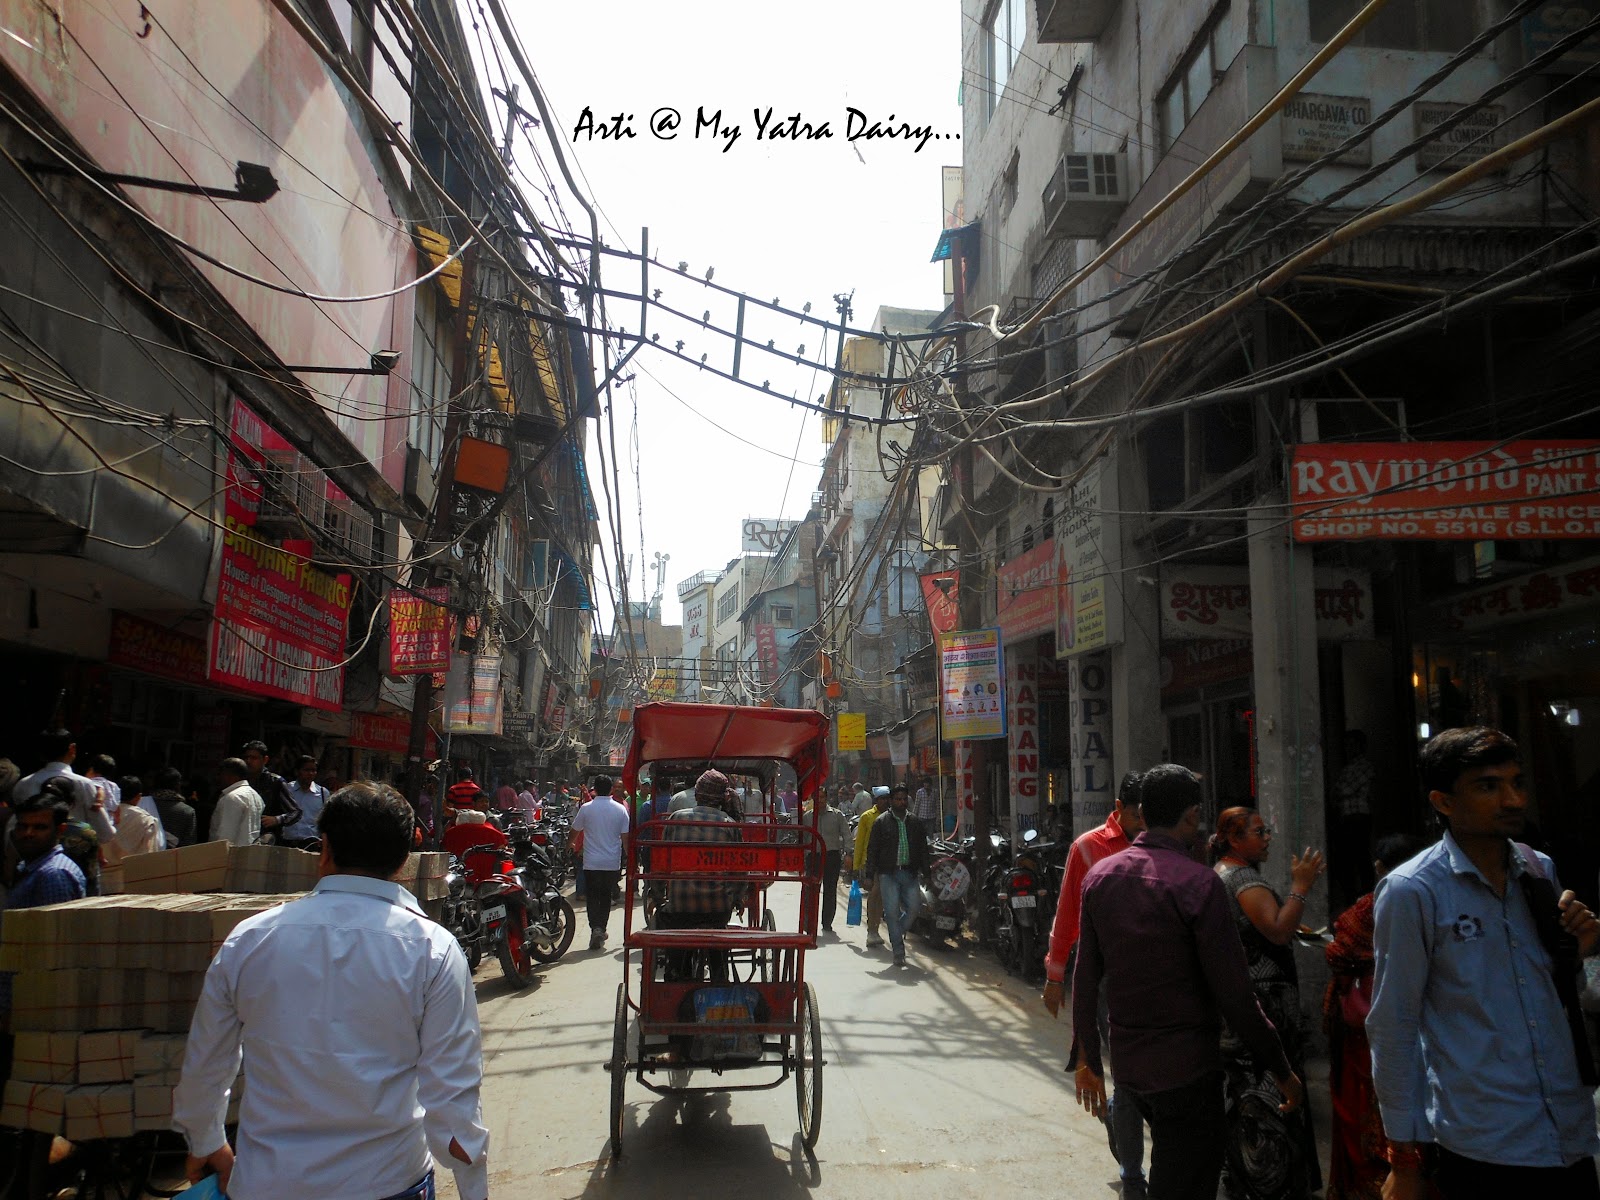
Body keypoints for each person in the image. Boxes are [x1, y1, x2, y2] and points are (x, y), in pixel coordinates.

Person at [173, 781, 488, 1199]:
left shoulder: (251, 939)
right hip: (389, 1182)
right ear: (402, 863)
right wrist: (474, 1190)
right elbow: (453, 1099)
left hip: (268, 1182)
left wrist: (205, 1140)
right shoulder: (432, 948)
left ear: (323, 850)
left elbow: (206, 1062)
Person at [1368, 727, 1600, 1200]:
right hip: (1482, 1142)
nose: (1512, 799)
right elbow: (1394, 1024)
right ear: (1444, 801)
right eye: (1488, 786)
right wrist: (1405, 1158)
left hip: (1568, 1132)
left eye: (1517, 782)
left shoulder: (1539, 870)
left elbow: (1553, 995)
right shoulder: (1413, 891)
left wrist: (1577, 950)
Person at [1073, 764, 1301, 1200]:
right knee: (1184, 1182)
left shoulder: (1101, 877)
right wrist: (1282, 1069)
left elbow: (1085, 976)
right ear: (1191, 816)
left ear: (1141, 812)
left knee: (1172, 1170)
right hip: (1186, 1071)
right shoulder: (1198, 884)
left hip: (1131, 1065)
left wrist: (1087, 1058)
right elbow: (1236, 995)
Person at [1209, 807, 1325, 1199]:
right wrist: (1301, 887)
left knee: (1247, 1097)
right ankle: (1270, 1185)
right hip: (1264, 1007)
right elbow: (1276, 930)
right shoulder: (1240, 877)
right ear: (1234, 839)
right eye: (1259, 832)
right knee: (1271, 1095)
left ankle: (1247, 1180)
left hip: (1243, 1003)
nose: (1267, 837)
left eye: (1266, 830)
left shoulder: (1224, 874)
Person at [1042, 770, 1148, 1198]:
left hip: (1155, 974)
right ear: (1119, 808)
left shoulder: (1164, 845)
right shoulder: (1088, 847)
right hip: (1104, 974)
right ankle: (1132, 1174)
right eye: (1137, 812)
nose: (1143, 821)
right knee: (1124, 1072)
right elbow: (1067, 915)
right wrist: (1055, 975)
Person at [1323, 834, 1424, 1200]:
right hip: (1415, 1020)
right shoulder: (1429, 897)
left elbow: (1338, 951)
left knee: (1363, 1105)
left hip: (1369, 1022)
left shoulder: (1372, 905)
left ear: (1379, 867)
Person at [657, 770, 746, 979]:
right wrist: (737, 898)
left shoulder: (676, 819)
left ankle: (677, 973)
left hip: (680, 908)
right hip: (718, 909)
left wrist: (657, 894)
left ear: (697, 794)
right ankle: (719, 974)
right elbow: (740, 872)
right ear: (722, 797)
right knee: (718, 942)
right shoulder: (730, 826)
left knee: (674, 938)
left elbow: (660, 863)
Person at [12, 728, 114, 845]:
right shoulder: (84, 784)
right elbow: (105, 833)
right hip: (73, 856)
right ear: (72, 748)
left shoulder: (22, 785)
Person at [865, 783, 929, 966]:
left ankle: (895, 932)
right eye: (898, 799)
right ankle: (898, 951)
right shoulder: (881, 822)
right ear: (892, 801)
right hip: (888, 874)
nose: (901, 802)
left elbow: (923, 849)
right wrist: (869, 875)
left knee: (914, 908)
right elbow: (873, 850)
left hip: (909, 873)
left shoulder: (915, 822)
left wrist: (927, 873)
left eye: (904, 799)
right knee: (892, 913)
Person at [571, 775, 631, 950]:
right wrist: (631, 858)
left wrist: (570, 846)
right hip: (611, 862)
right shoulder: (620, 809)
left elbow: (574, 831)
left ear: (595, 789)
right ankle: (600, 928)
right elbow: (625, 838)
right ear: (611, 789)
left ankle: (595, 928)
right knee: (605, 896)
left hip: (591, 862)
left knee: (593, 895)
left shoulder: (586, 808)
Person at [1330, 731, 1375, 904]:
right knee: (1347, 858)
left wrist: (1339, 792)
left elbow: (1343, 790)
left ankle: (1365, 895)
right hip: (1347, 816)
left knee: (1359, 856)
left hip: (1358, 816)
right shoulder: (1349, 766)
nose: (1348, 748)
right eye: (1347, 744)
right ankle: (1353, 896)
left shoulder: (1363, 766)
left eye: (1352, 744)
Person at [100, 779, 164, 893]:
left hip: (102, 882)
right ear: (138, 796)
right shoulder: (146, 820)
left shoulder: (104, 814)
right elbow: (149, 857)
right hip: (130, 885)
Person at [241, 741, 302, 844]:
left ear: (265, 760)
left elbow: (295, 812)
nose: (249, 761)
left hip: (267, 840)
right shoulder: (240, 780)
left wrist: (276, 819)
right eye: (246, 758)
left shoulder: (275, 782)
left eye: (254, 758)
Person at [853, 787, 890, 947]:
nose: (884, 801)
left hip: (888, 863)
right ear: (876, 800)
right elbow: (860, 842)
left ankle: (875, 928)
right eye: (881, 799)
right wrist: (856, 866)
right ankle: (871, 930)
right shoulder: (867, 817)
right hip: (871, 862)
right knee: (874, 894)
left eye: (886, 798)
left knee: (881, 896)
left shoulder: (892, 816)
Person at [815, 786, 851, 933]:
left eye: (822, 797)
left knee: (830, 891)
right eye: (817, 798)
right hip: (814, 857)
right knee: (811, 891)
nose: (820, 801)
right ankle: (808, 922)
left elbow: (847, 835)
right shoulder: (808, 817)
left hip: (832, 856)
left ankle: (827, 922)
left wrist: (849, 854)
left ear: (827, 798)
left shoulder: (837, 815)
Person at [277, 756, 329, 847]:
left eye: (313, 770)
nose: (311, 774)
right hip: (288, 843)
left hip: (312, 844)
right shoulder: (287, 790)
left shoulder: (323, 793)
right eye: (306, 770)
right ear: (297, 772)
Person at [212, 758, 264, 848]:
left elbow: (225, 837)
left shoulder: (232, 797)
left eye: (221, 774)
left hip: (231, 857)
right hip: (249, 854)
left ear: (231, 776)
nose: (218, 778)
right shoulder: (256, 796)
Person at [152, 767, 198, 848]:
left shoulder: (143, 804)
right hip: (172, 858)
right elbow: (189, 844)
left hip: (144, 856)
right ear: (177, 785)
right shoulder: (187, 811)